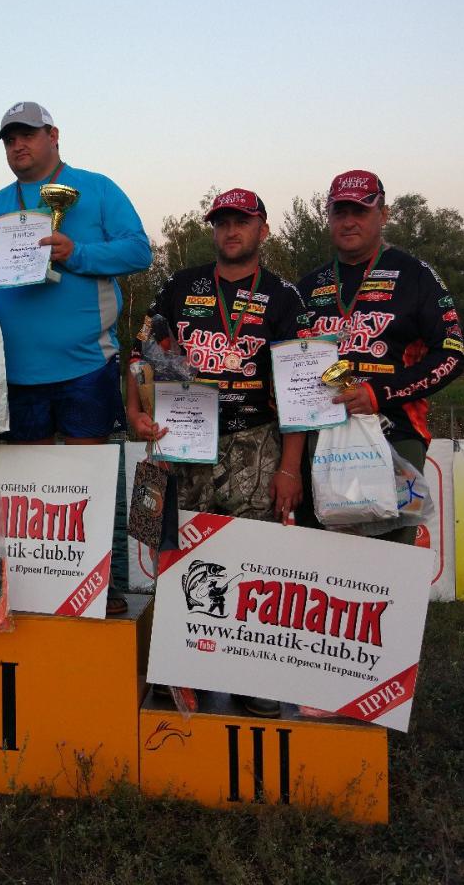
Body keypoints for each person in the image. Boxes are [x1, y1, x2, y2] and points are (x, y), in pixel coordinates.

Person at [126, 188, 311, 716]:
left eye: (242, 221)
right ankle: (181, 672)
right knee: (181, 557)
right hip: (183, 439)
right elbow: (141, 356)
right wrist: (136, 411)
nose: (231, 230)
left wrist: (290, 468)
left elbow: (299, 390)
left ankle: (250, 678)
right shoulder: (180, 286)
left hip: (254, 439)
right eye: (222, 221)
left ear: (263, 230)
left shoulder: (283, 297)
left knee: (252, 561)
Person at [0, 101, 152, 445]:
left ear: (54, 135)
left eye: (27, 135)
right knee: (31, 478)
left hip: (86, 365)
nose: (18, 145)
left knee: (85, 476)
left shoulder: (98, 188)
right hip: (14, 372)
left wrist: (77, 253)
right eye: (10, 140)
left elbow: (138, 251)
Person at [297, 169, 464, 543]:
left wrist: (379, 393)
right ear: (328, 216)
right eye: (340, 212)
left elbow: (452, 354)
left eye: (360, 211)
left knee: (392, 557)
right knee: (318, 555)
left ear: (383, 214)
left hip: (396, 433)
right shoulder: (307, 287)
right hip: (319, 439)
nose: (349, 221)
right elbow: (290, 361)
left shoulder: (416, 275)